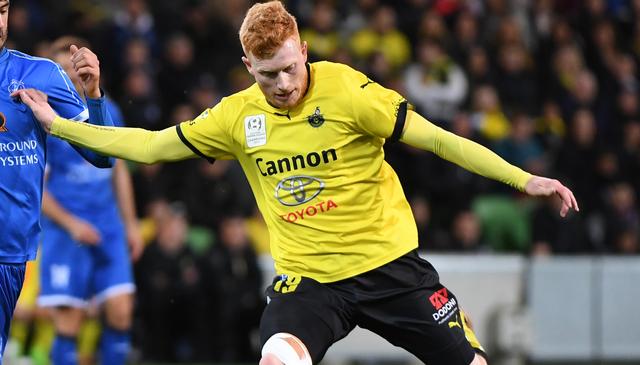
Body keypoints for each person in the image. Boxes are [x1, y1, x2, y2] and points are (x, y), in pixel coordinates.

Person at [15, 2, 579, 364]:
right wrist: (62, 125)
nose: (283, 84)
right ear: (246, 66)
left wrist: (523, 178)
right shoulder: (237, 117)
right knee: (277, 359)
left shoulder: (352, 93)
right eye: (267, 75)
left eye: (290, 67)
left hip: (391, 270)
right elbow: (150, 145)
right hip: (310, 283)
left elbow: (438, 139)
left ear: (305, 50)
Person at [0, 0, 116, 360]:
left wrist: (93, 95)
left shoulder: (40, 75)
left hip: (8, 250)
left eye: (2, 9)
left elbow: (102, 155)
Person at [37, 36, 142, 365]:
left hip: (107, 225)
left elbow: (118, 170)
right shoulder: (44, 118)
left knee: (122, 310)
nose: (70, 74)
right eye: (61, 69)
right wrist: (72, 224)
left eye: (73, 66)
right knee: (69, 319)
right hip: (65, 229)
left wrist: (131, 223)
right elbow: (36, 188)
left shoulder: (108, 110)